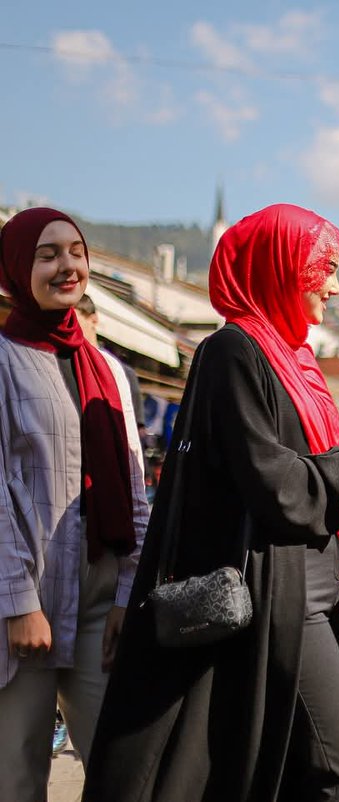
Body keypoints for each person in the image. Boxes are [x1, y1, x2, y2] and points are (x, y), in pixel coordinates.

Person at [83, 204, 339, 802]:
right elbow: (268, 479)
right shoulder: (233, 352)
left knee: (308, 772)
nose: (336, 284)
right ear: (280, 268)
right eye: (322, 268)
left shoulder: (295, 358)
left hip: (318, 589)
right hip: (285, 601)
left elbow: (308, 474)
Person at [0, 207, 148, 801]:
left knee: (121, 764)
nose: (68, 266)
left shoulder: (107, 369)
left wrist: (125, 594)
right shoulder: (6, 360)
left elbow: (135, 488)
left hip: (98, 597)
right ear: (15, 268)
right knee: (17, 772)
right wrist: (17, 602)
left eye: (76, 252)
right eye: (47, 254)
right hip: (23, 598)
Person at [76, 293, 146, 436]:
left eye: (73, 320)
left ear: (93, 319)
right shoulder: (63, 365)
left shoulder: (121, 371)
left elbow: (136, 431)